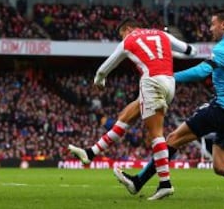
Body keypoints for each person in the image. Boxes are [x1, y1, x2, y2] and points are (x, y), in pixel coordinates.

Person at [113, 11, 224, 200]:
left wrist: (170, 77)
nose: (210, 29)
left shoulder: (223, 48)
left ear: (223, 25)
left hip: (221, 108)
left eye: (213, 25)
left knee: (173, 139)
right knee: (221, 166)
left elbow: (202, 71)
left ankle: (138, 182)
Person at [68, 17, 197, 200]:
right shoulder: (162, 34)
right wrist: (173, 54)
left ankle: (165, 183)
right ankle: (91, 152)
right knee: (127, 114)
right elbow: (191, 51)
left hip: (151, 81)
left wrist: (99, 80)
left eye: (122, 34)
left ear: (128, 29)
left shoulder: (129, 39)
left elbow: (105, 67)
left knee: (156, 134)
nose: (122, 38)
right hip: (170, 82)